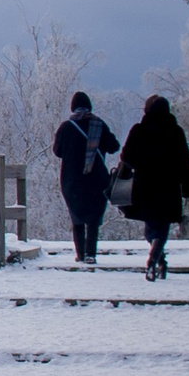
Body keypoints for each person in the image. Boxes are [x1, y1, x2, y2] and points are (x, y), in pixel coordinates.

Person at [116, 94, 189, 280]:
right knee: (162, 227)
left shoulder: (139, 130)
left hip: (145, 186)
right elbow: (185, 161)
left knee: (150, 228)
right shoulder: (175, 131)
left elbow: (126, 157)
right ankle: (157, 261)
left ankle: (155, 260)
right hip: (169, 187)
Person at [51, 91, 116, 264]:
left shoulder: (66, 127)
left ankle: (80, 254)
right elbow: (113, 146)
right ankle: (90, 254)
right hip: (96, 180)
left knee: (77, 218)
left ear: (73, 107)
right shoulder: (98, 124)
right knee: (93, 219)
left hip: (72, 180)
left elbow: (57, 151)